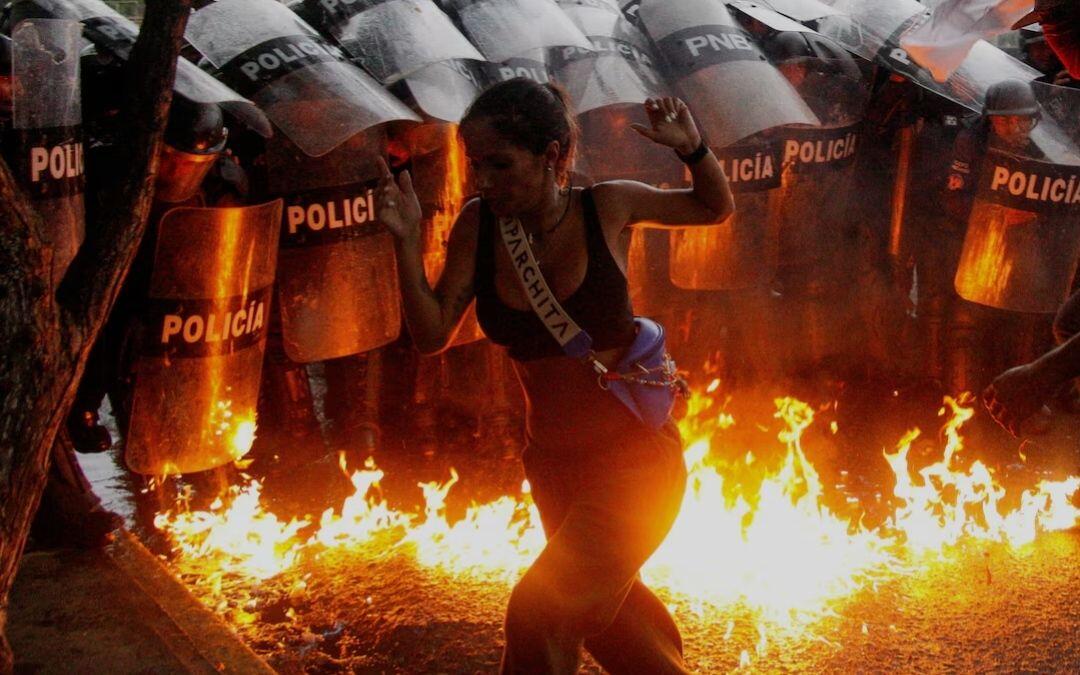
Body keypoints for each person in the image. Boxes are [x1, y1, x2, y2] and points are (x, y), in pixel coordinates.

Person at [378, 78, 733, 674]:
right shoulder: (479, 224)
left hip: (635, 465)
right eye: (476, 164)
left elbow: (711, 208)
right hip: (553, 467)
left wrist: (692, 149)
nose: (484, 180)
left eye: (499, 163)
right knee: (612, 624)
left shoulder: (609, 205)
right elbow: (433, 332)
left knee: (541, 610)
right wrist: (407, 242)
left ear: (550, 155)